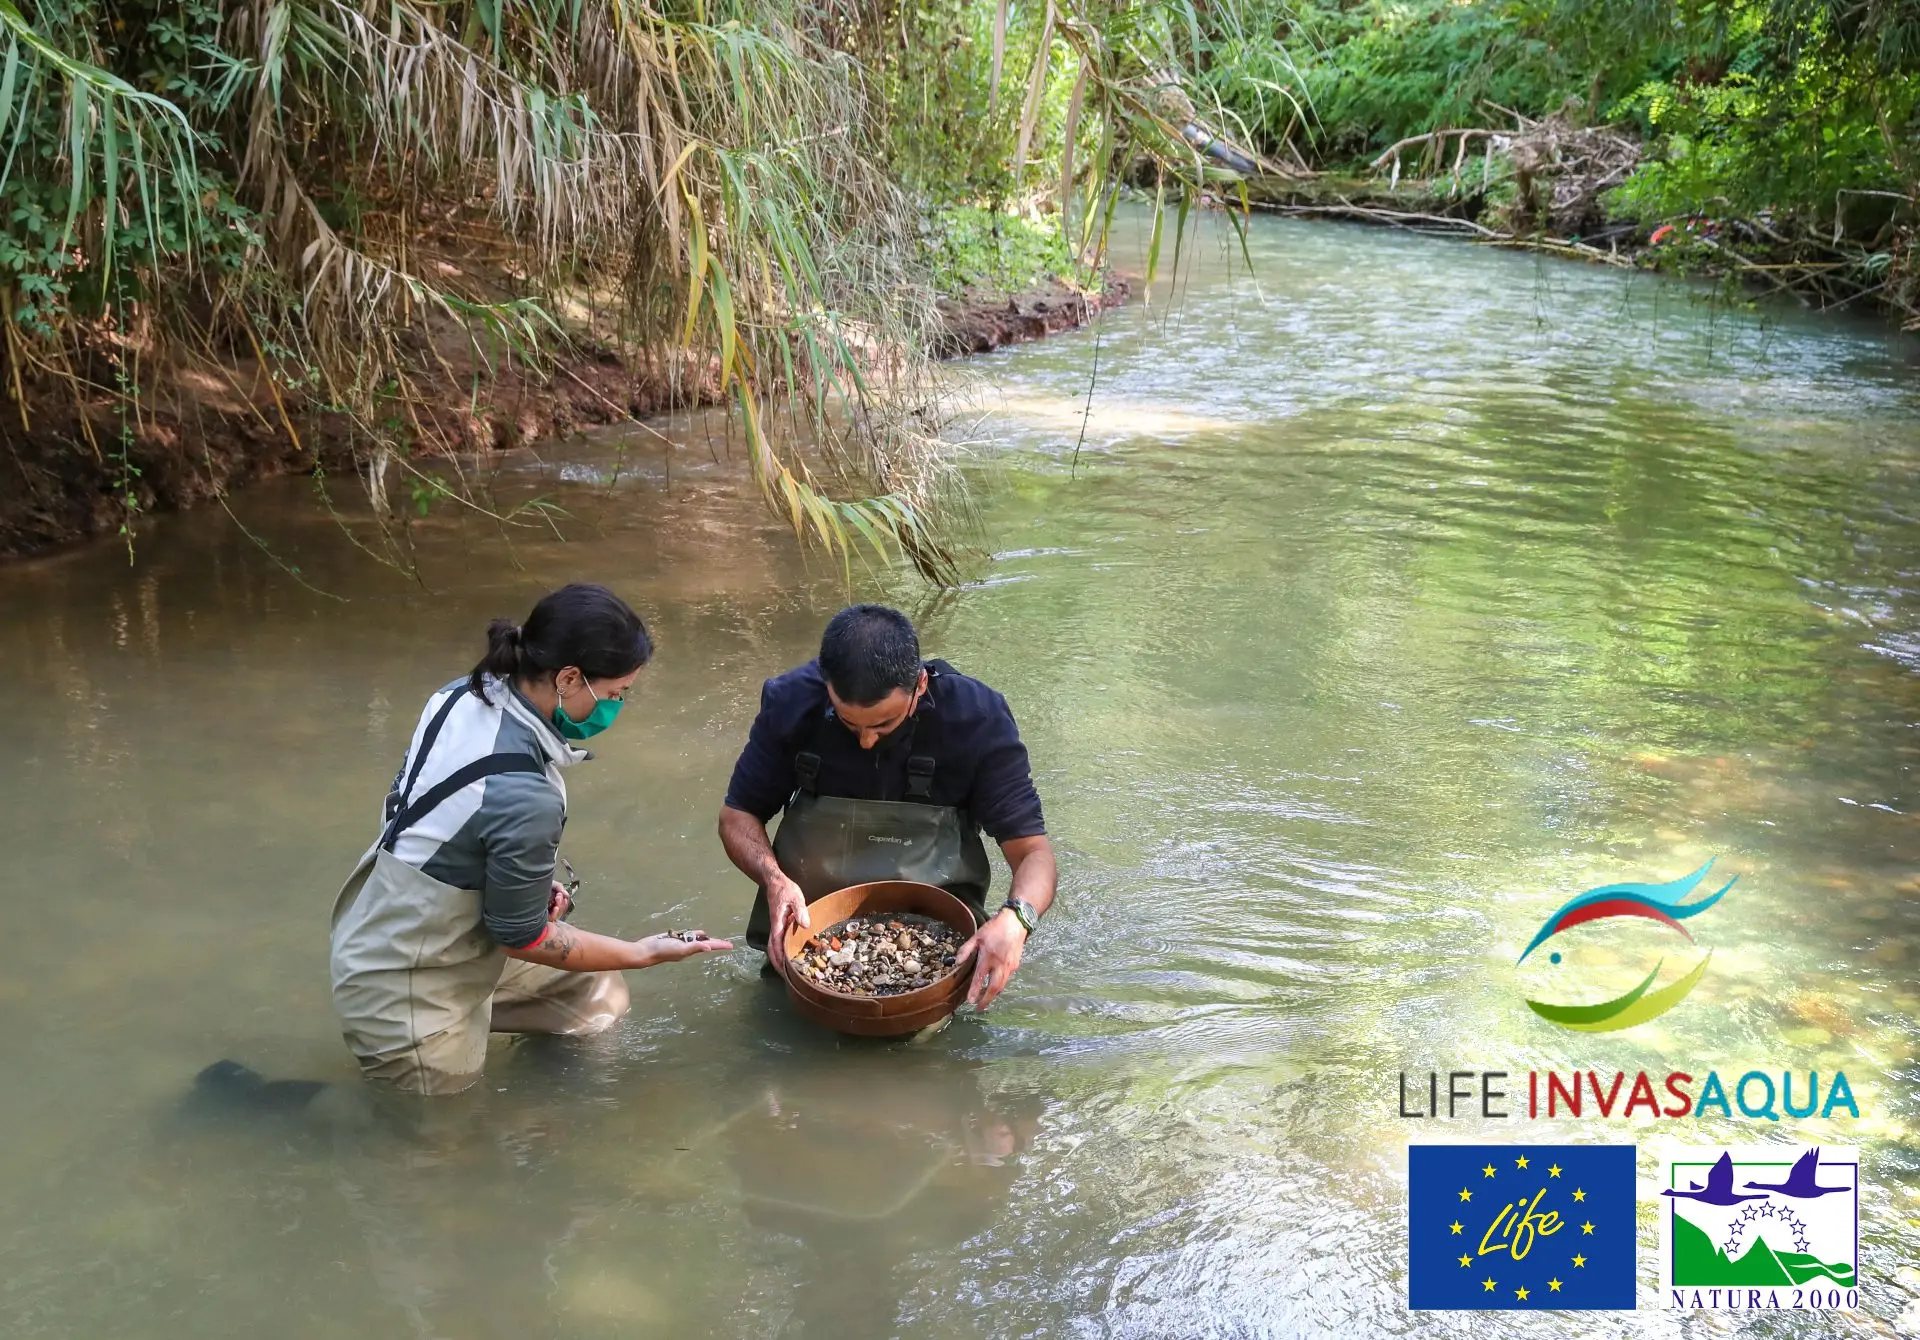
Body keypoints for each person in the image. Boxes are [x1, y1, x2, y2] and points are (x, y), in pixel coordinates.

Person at [330, 583, 731, 1095]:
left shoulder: (460, 694)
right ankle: (289, 1105)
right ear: (568, 678)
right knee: (437, 1146)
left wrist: (521, 888)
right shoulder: (527, 796)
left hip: (395, 922)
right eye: (614, 694)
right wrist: (643, 952)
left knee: (593, 993)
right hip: (405, 982)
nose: (616, 706)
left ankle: (538, 1108)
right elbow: (523, 937)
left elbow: (421, 813)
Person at [718, 605, 1056, 1010]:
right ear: (826, 686)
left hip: (944, 949)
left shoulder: (977, 719)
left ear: (920, 685)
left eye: (883, 724)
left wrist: (1017, 920)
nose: (866, 741)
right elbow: (737, 817)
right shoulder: (790, 701)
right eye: (848, 722)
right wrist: (774, 880)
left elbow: (1033, 853)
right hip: (805, 933)